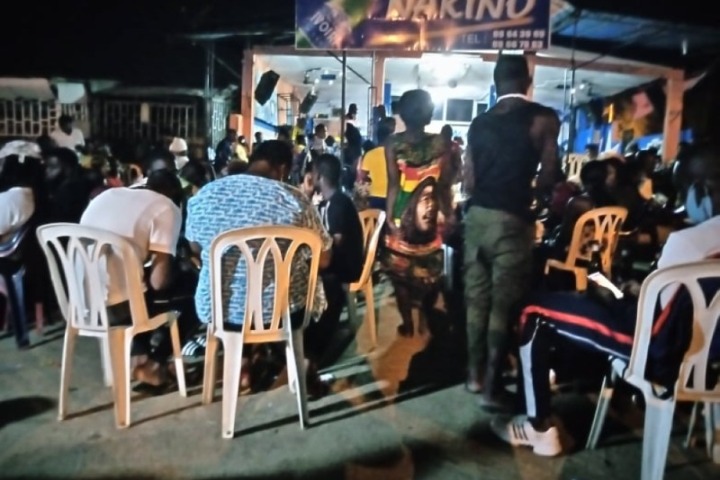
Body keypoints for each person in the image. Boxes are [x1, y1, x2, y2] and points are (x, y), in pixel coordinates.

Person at [492, 143, 720, 456]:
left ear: (701, 189)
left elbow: (656, 318)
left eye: (682, 192)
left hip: (656, 351)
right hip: (709, 360)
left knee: (532, 309)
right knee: (598, 296)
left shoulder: (689, 242)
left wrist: (619, 298)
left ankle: (539, 428)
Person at [185, 140, 333, 393]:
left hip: (219, 311)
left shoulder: (206, 194)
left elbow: (195, 248)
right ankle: (303, 366)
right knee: (324, 292)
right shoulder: (295, 199)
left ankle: (244, 363)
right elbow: (324, 259)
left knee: (240, 292)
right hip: (280, 314)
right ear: (283, 168)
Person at [463, 55, 559, 409]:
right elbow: (550, 174)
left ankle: (473, 376)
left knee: (476, 301)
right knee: (503, 305)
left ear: (495, 81)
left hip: (477, 218)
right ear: (528, 81)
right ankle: (492, 387)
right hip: (512, 220)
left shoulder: (479, 123)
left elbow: (469, 179)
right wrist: (538, 199)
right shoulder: (543, 119)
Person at [80, 169, 192, 386]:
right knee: (196, 296)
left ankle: (140, 356)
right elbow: (159, 282)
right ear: (172, 194)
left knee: (136, 284)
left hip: (79, 300)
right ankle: (155, 362)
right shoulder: (166, 207)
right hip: (119, 307)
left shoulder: (107, 195)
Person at [384, 89, 456, 337]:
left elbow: (393, 184)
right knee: (430, 273)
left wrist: (390, 217)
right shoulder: (442, 143)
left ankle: (408, 325)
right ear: (429, 114)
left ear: (402, 115)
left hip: (401, 213)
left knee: (400, 276)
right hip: (431, 215)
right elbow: (445, 184)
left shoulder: (393, 143)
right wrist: (449, 213)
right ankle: (426, 318)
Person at [312, 154, 364, 361]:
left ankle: (315, 347)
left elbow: (336, 242)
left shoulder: (338, 204)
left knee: (310, 277)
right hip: (340, 262)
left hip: (345, 266)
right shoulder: (332, 201)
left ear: (319, 176)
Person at [44, 147, 94, 223]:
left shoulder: (69, 192)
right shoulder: (61, 188)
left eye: (53, 167)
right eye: (46, 167)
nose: (47, 171)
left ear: (68, 169)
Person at [358, 117, 396, 211]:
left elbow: (362, 178)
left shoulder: (370, 155)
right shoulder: (396, 154)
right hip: (393, 197)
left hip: (374, 198)